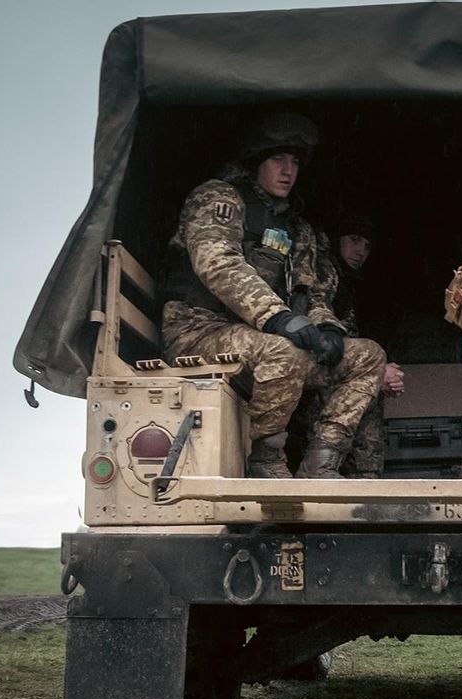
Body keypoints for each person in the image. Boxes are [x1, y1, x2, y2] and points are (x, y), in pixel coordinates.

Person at [158, 114, 386, 478]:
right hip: (198, 333)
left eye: (295, 162)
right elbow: (218, 263)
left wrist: (328, 330)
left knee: (368, 357)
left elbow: (311, 292)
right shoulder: (220, 197)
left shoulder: (295, 227)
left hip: (259, 340)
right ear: (256, 162)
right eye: (278, 160)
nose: (288, 171)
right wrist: (277, 317)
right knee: (282, 350)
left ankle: (321, 462)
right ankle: (264, 459)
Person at [324, 212, 403, 477]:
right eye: (354, 240)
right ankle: (327, 471)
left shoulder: (350, 283)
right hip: (315, 382)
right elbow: (321, 344)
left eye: (367, 246)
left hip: (340, 375)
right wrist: (376, 372)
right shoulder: (325, 275)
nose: (360, 251)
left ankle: (368, 483)